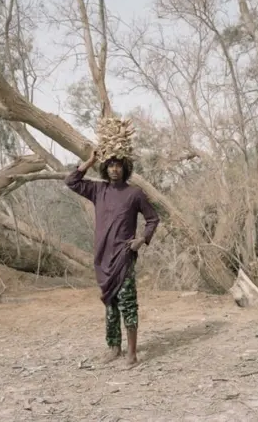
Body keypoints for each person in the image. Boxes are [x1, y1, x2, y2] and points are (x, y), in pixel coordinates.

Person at [65, 150, 160, 366]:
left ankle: (132, 354)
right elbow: (71, 181)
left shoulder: (134, 193)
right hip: (102, 257)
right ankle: (114, 348)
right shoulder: (99, 190)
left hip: (123, 257)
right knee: (110, 303)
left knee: (127, 304)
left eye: (118, 165)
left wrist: (141, 240)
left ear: (125, 168)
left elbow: (153, 219)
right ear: (105, 168)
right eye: (110, 165)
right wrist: (88, 162)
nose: (114, 169)